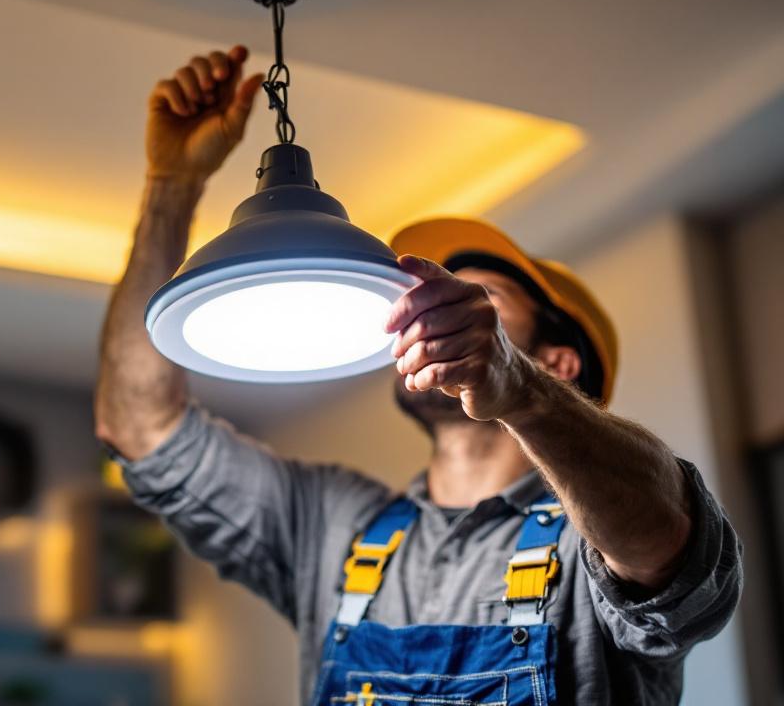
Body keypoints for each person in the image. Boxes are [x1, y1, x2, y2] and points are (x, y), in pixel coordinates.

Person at [94, 45, 742, 705]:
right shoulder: (329, 525)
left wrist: (515, 389)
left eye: (477, 295)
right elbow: (139, 424)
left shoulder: (593, 543)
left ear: (557, 362)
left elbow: (669, 544)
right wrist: (170, 187)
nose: (428, 303)